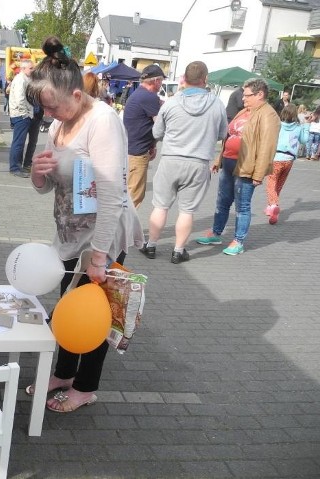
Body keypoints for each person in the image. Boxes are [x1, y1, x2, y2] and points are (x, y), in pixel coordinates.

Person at [27, 36, 144, 413]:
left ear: (77, 95)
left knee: (94, 313)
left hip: (100, 238)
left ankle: (86, 386)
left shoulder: (103, 122)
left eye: (54, 106)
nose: (50, 114)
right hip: (70, 236)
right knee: (67, 306)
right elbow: (48, 189)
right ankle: (63, 372)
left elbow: (112, 195)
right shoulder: (58, 127)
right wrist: (37, 173)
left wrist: (99, 257)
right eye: (45, 108)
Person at [139, 61, 227, 264]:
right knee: (187, 210)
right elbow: (223, 133)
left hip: (171, 160)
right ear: (205, 79)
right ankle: (178, 251)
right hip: (198, 162)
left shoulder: (171, 102)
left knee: (160, 206)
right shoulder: (216, 104)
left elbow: (157, 132)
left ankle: (151, 245)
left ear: (184, 79)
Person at [196, 78, 280, 255]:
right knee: (222, 201)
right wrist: (219, 159)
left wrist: (258, 174)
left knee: (242, 206)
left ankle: (238, 240)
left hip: (247, 166)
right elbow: (229, 136)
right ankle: (216, 233)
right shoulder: (244, 112)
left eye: (247, 95)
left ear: (260, 94)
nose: (243, 98)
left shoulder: (268, 115)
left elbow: (267, 146)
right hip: (229, 162)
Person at [122, 64, 164, 207]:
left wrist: (152, 145)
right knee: (134, 197)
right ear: (156, 81)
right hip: (137, 152)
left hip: (131, 149)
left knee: (129, 194)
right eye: (161, 81)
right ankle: (123, 229)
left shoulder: (138, 94)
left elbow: (145, 125)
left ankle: (123, 227)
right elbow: (159, 126)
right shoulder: (149, 97)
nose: (161, 84)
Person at [264, 104, 304, 225]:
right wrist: (306, 125)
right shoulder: (298, 127)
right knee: (279, 184)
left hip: (277, 157)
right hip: (289, 159)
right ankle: (270, 207)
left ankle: (274, 204)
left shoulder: (278, 125)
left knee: (271, 183)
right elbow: (304, 140)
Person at [8, 59, 35, 178]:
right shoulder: (20, 80)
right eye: (31, 68)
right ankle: (15, 167)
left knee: (20, 142)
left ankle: (17, 166)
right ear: (23, 69)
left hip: (22, 114)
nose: (33, 70)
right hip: (21, 115)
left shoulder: (25, 79)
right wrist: (26, 113)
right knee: (18, 143)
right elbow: (20, 99)